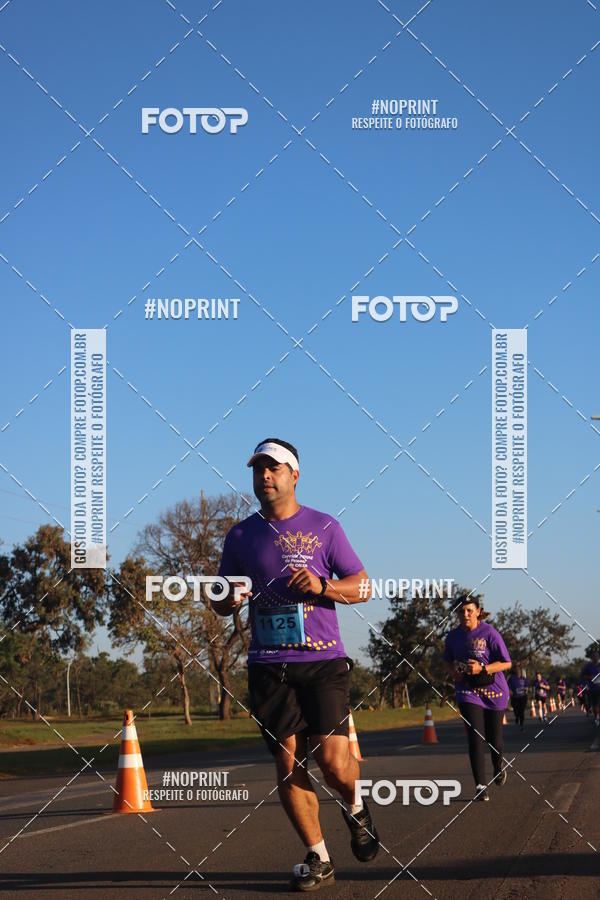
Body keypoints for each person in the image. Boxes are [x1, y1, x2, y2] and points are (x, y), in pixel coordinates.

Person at [213, 438, 379, 891]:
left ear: (294, 475)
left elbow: (361, 587)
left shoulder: (325, 527)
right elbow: (219, 600)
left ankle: (357, 808)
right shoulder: (240, 535)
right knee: (288, 765)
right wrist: (228, 598)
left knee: (334, 763)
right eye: (257, 469)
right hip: (268, 664)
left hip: (323, 661)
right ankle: (318, 856)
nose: (264, 476)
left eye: (273, 468)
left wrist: (325, 586)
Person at [443, 595, 512, 802]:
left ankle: (498, 764)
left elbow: (506, 663)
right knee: (475, 736)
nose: (465, 614)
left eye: (469, 610)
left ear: (478, 611)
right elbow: (446, 659)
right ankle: (480, 786)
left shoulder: (489, 632)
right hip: (468, 691)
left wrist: (483, 668)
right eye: (461, 611)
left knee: (495, 741)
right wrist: (452, 671)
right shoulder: (452, 636)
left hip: (494, 691)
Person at [581, 651, 600, 727]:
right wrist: (590, 677)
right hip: (593, 689)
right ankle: (596, 717)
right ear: (592, 658)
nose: (595, 658)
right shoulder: (588, 667)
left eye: (597, 656)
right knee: (595, 706)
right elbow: (582, 676)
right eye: (594, 656)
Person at [507, 665, 528, 730]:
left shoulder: (523, 678)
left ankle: (522, 724)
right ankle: (517, 717)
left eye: (519, 670)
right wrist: (509, 691)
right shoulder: (511, 678)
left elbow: (526, 686)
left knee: (521, 710)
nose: (518, 671)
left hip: (522, 697)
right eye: (517, 670)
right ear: (515, 671)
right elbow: (507, 686)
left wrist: (525, 689)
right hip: (515, 697)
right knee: (516, 710)